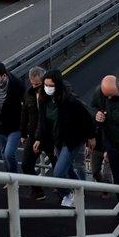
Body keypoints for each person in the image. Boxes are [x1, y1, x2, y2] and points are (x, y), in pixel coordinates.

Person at [44, 68, 96, 208]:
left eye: (51, 85)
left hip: (72, 140)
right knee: (68, 169)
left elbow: (86, 118)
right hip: (59, 140)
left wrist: (91, 137)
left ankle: (69, 194)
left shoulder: (70, 101)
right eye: (46, 85)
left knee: (58, 173)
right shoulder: (46, 100)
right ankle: (80, 191)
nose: (48, 88)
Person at [18, 66, 48, 198]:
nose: (35, 86)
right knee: (26, 165)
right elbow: (24, 114)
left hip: (49, 135)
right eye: (33, 83)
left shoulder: (52, 94)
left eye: (38, 84)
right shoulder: (28, 94)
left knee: (61, 169)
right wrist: (23, 134)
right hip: (33, 135)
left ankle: (66, 192)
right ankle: (37, 191)